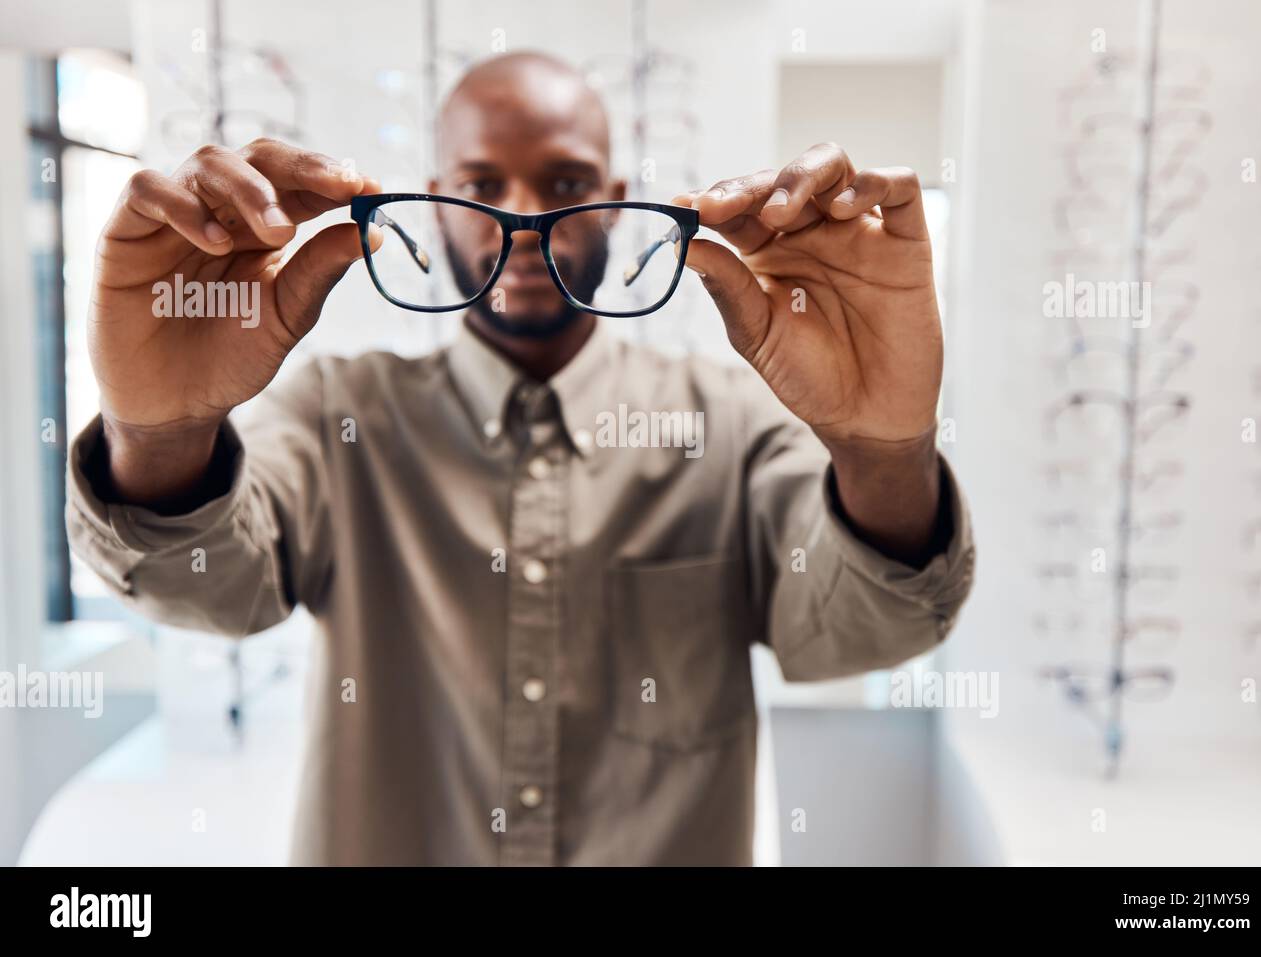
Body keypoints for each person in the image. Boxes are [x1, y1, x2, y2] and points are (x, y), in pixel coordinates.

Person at [66, 51, 975, 865]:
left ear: (618, 196)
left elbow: (869, 630)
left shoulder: (730, 424)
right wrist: (157, 434)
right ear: (434, 195)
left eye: (568, 180)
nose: (527, 219)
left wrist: (882, 451)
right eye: (482, 182)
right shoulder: (342, 417)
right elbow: (210, 588)